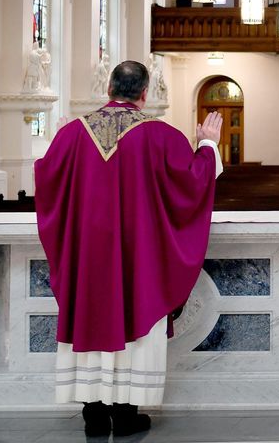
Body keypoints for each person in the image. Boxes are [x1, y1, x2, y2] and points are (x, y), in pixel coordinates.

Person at [35, 60, 223, 437]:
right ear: (144, 94)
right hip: (139, 259)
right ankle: (125, 413)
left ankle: (92, 412)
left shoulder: (73, 133)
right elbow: (194, 182)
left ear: (109, 90)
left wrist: (59, 147)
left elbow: (46, 176)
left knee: (91, 315)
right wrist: (207, 144)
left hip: (88, 259)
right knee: (137, 313)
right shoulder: (161, 135)